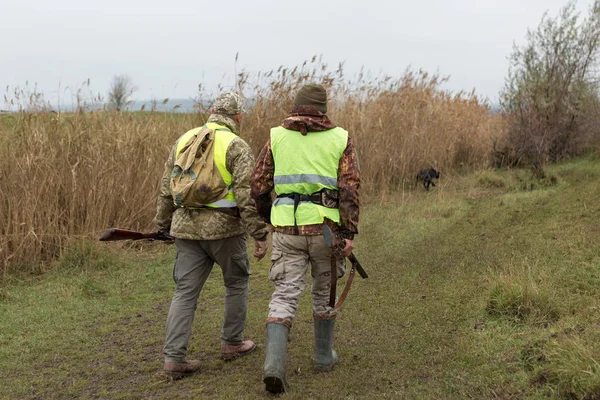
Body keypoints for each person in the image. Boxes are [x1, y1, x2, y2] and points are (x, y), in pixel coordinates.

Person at [250, 83, 360, 393]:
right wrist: (349, 232)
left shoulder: (276, 136)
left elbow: (258, 185)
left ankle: (274, 366)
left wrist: (271, 215)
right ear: (323, 109)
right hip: (326, 231)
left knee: (285, 294)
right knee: (324, 291)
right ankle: (324, 357)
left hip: (286, 230)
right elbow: (349, 189)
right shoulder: (341, 138)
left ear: (295, 106)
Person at [155, 92, 269, 379]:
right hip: (225, 231)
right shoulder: (237, 146)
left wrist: (162, 225)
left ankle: (173, 359)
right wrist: (259, 233)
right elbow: (246, 195)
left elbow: (166, 190)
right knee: (236, 282)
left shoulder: (184, 140)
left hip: (186, 229)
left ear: (212, 111)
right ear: (238, 116)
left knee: (184, 293)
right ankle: (232, 343)